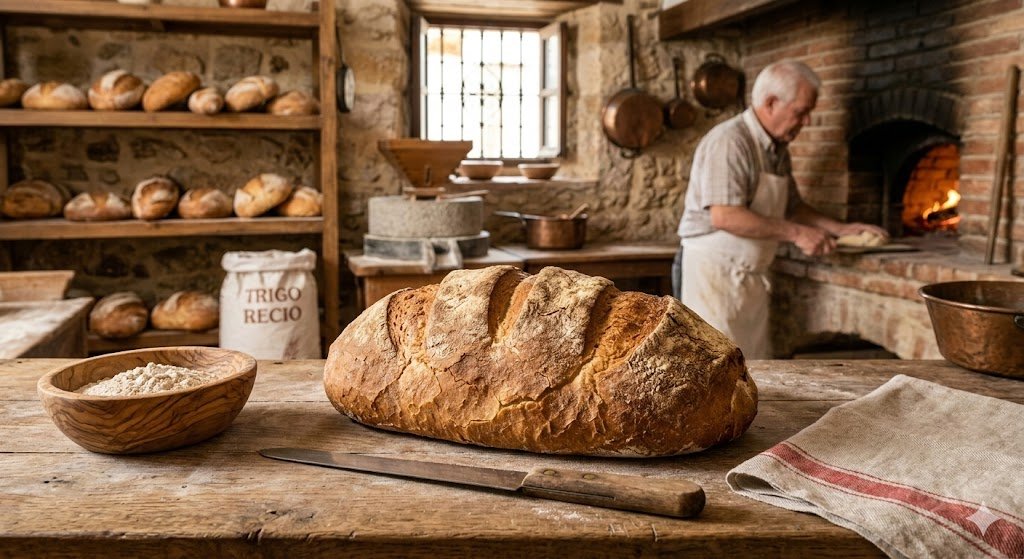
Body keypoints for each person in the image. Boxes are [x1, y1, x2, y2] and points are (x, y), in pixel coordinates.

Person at [675, 60, 887, 359]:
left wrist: (839, 228)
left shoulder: (776, 148)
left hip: (749, 279)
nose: (807, 122)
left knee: (754, 368)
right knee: (715, 367)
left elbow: (792, 206)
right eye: (801, 112)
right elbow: (725, 215)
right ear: (771, 103)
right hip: (714, 275)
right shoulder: (731, 142)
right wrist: (798, 234)